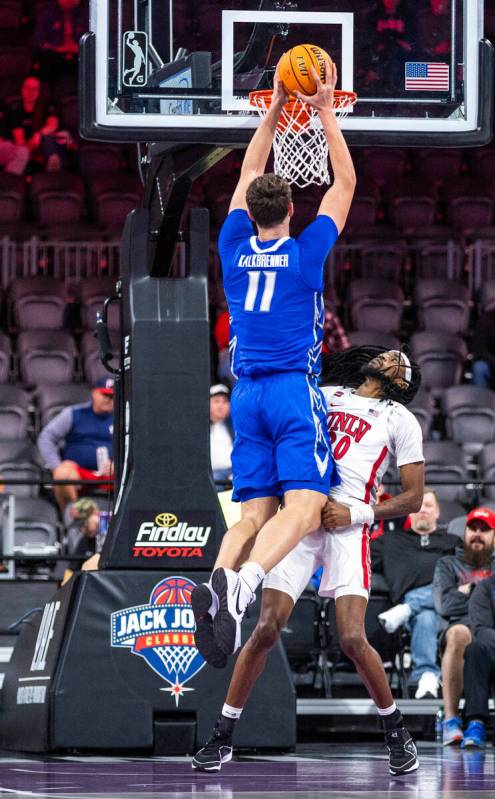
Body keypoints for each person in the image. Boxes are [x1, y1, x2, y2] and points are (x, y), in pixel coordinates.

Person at [192, 346, 424, 776]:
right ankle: (223, 735)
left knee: (353, 639)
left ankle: (397, 732)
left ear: (402, 381)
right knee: (264, 630)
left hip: (347, 525)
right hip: (299, 519)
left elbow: (413, 496)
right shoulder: (326, 391)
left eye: (397, 357)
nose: (388, 354)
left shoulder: (400, 419)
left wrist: (358, 513)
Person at [191, 61, 356, 660]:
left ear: (254, 212)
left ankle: (217, 587)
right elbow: (343, 186)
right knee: (306, 506)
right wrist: (325, 111)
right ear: (290, 210)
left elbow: (249, 171)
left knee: (251, 513)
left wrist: (272, 112)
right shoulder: (307, 252)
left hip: (244, 395)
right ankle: (241, 588)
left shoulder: (232, 248)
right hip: (290, 389)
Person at [374, 489, 457, 699]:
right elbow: (355, 555)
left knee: (445, 588)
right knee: (425, 616)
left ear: (437, 512)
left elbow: (468, 576)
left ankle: (408, 607)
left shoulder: (452, 543)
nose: (423, 511)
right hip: (411, 620)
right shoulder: (390, 541)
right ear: (408, 512)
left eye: (428, 505)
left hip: (450, 611)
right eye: (417, 506)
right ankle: (427, 674)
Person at [433, 508, 495, 745]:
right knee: (461, 634)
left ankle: (476, 723)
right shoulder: (447, 564)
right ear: (464, 532)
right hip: (459, 626)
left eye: (484, 530)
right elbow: (445, 605)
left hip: (489, 626)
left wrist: (466, 590)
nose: (477, 534)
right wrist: (481, 595)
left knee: (482, 641)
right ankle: (451, 720)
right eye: (473, 529)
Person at [37, 378, 114, 512]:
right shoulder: (74, 414)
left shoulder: (123, 416)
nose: (109, 399)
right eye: (105, 395)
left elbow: (133, 447)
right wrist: (56, 465)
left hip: (113, 473)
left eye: (112, 396)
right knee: (62, 474)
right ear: (94, 393)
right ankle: (74, 521)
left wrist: (119, 465)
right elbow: (46, 437)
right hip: (80, 472)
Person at [6, 75, 67, 172]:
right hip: (29, 152)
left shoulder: (47, 107)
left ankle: (53, 166)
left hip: (50, 148)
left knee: (48, 138)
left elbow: (52, 125)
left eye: (35, 89)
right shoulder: (16, 112)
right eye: (28, 88)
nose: (31, 92)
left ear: (39, 92)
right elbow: (19, 141)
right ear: (22, 90)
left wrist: (39, 134)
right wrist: (32, 145)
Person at [462, 574, 495, 748]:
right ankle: (476, 724)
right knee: (475, 650)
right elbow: (481, 628)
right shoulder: (485, 588)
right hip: (492, 647)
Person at [34, 0, 87, 82]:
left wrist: (79, 48)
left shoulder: (85, 14)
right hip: (54, 56)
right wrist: (58, 49)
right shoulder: (47, 14)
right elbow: (39, 41)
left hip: (79, 55)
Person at [210, 384, 234, 486]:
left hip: (234, 474)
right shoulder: (198, 429)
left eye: (225, 402)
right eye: (216, 401)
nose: (221, 406)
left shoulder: (234, 427)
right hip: (212, 477)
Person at [471, 306, 495, 389]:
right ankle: (480, 400)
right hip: (490, 363)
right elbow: (480, 350)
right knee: (479, 367)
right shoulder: (486, 320)